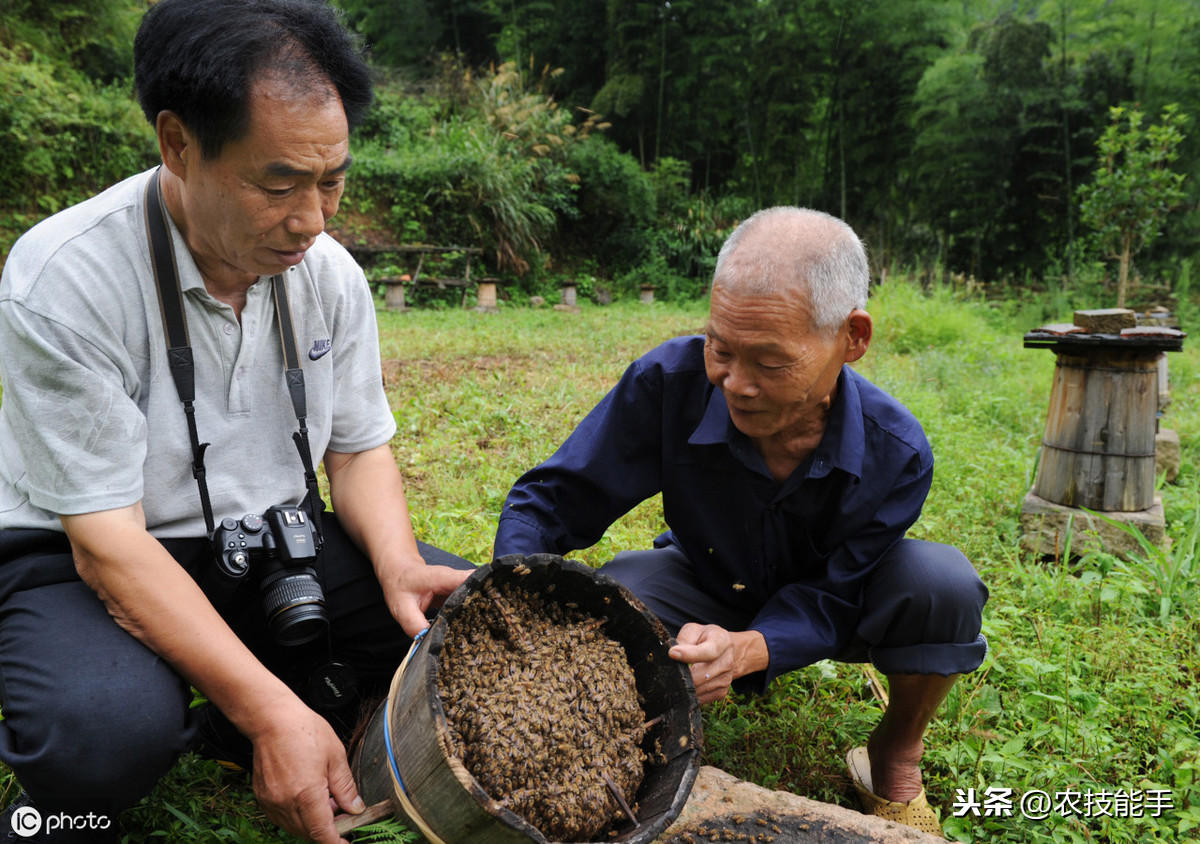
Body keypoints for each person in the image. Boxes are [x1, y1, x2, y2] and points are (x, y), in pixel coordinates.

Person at [0, 1, 474, 841]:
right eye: (279, 183)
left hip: (270, 537)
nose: (313, 220)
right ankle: (55, 811)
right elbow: (104, 543)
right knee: (102, 735)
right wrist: (273, 716)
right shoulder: (64, 278)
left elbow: (359, 448)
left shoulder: (328, 273)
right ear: (178, 144)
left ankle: (223, 721)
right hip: (86, 553)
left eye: (333, 180)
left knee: (467, 636)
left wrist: (397, 563)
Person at [493, 206, 988, 837]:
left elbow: (835, 593)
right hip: (706, 578)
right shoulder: (669, 382)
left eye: (770, 363)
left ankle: (894, 754)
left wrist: (750, 650)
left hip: (841, 605)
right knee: (620, 597)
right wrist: (511, 595)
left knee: (939, 584)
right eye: (720, 349)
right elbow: (555, 499)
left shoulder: (898, 451)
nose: (735, 383)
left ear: (852, 339)